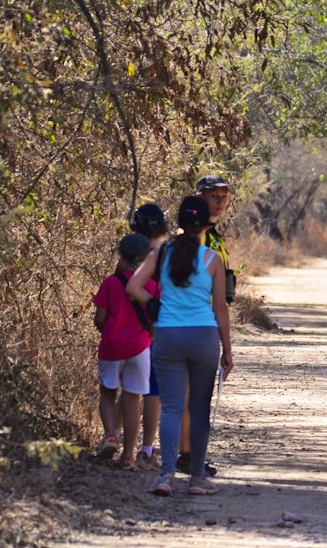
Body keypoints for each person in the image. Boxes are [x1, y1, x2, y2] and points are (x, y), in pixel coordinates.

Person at [127, 196, 234, 497]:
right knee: (198, 409)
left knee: (172, 408)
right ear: (206, 225)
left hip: (168, 337)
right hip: (204, 337)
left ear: (180, 223)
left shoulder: (161, 253)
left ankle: (165, 476)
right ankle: (197, 477)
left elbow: (133, 286)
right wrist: (227, 350)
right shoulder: (213, 259)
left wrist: (153, 304)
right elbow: (220, 309)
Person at [175, 174, 234, 477]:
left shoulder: (214, 237)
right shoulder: (196, 237)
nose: (220, 202)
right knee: (189, 396)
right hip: (193, 325)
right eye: (214, 196)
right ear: (199, 197)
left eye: (224, 196)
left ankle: (186, 454)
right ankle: (185, 455)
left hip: (201, 326)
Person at [92, 232, 155, 470]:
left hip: (111, 347)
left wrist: (109, 331)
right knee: (132, 401)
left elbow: (99, 318)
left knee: (108, 394)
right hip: (139, 348)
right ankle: (128, 456)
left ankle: (110, 435)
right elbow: (154, 321)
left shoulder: (110, 283)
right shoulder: (151, 285)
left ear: (121, 256)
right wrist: (146, 338)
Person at [129, 203, 169, 469]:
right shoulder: (165, 252)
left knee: (130, 390)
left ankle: (126, 450)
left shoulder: (132, 252)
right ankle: (148, 449)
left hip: (130, 330)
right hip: (156, 329)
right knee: (154, 390)